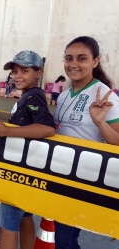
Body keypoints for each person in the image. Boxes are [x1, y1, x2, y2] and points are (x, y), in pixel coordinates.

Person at [53, 36, 119, 249]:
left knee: (64, 240)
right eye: (69, 58)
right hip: (58, 172)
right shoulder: (63, 96)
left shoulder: (104, 95)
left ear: (95, 61)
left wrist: (100, 122)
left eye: (81, 58)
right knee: (64, 237)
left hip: (82, 177)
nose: (73, 64)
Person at [0, 50, 56, 249]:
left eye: (24, 71)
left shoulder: (34, 95)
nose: (17, 75)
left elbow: (47, 127)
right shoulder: (28, 95)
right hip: (27, 168)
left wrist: (7, 131)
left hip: (18, 171)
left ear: (38, 73)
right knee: (25, 216)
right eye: (15, 71)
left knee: (8, 226)